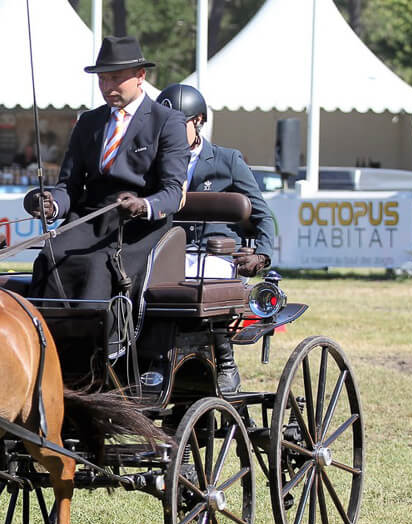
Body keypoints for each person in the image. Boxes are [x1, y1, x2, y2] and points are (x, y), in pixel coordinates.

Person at [24, 36, 189, 326]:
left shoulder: (167, 122)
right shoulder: (89, 122)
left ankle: (99, 345)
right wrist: (52, 204)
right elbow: (69, 187)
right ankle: (48, 336)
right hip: (91, 217)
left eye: (115, 79)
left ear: (141, 77)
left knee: (95, 263)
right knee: (53, 253)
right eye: (102, 80)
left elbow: (173, 192)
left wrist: (142, 205)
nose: (107, 87)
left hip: (140, 226)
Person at [156, 83, 277, 393]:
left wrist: (261, 255)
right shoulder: (154, 163)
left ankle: (225, 360)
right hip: (167, 251)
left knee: (204, 277)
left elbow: (262, 214)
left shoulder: (227, 160)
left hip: (216, 255)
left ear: (198, 122)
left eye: (176, 124)